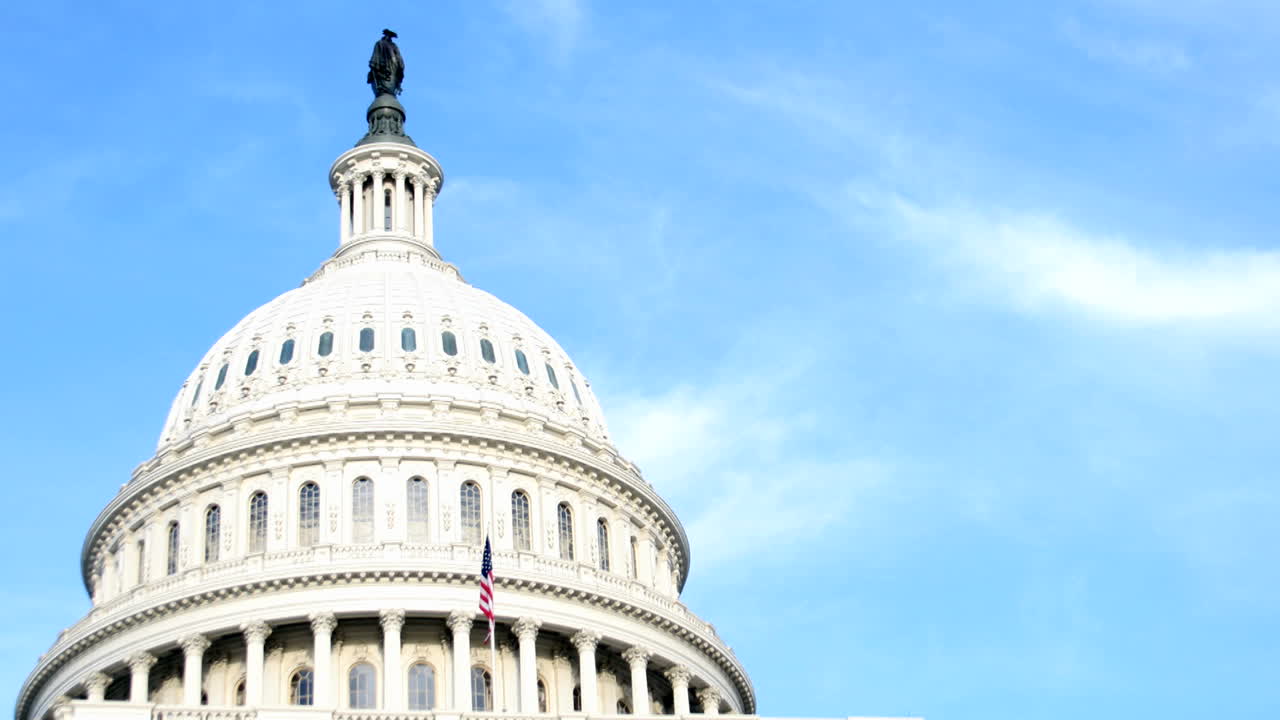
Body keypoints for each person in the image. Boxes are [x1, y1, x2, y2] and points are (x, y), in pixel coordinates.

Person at [367, 29, 404, 97]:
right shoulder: (380, 43)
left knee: (391, 80)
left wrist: (400, 66)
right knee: (385, 80)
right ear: (385, 34)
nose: (389, 37)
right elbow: (376, 56)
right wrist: (375, 65)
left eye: (391, 36)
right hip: (383, 66)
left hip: (393, 66)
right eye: (388, 35)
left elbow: (399, 58)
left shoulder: (394, 46)